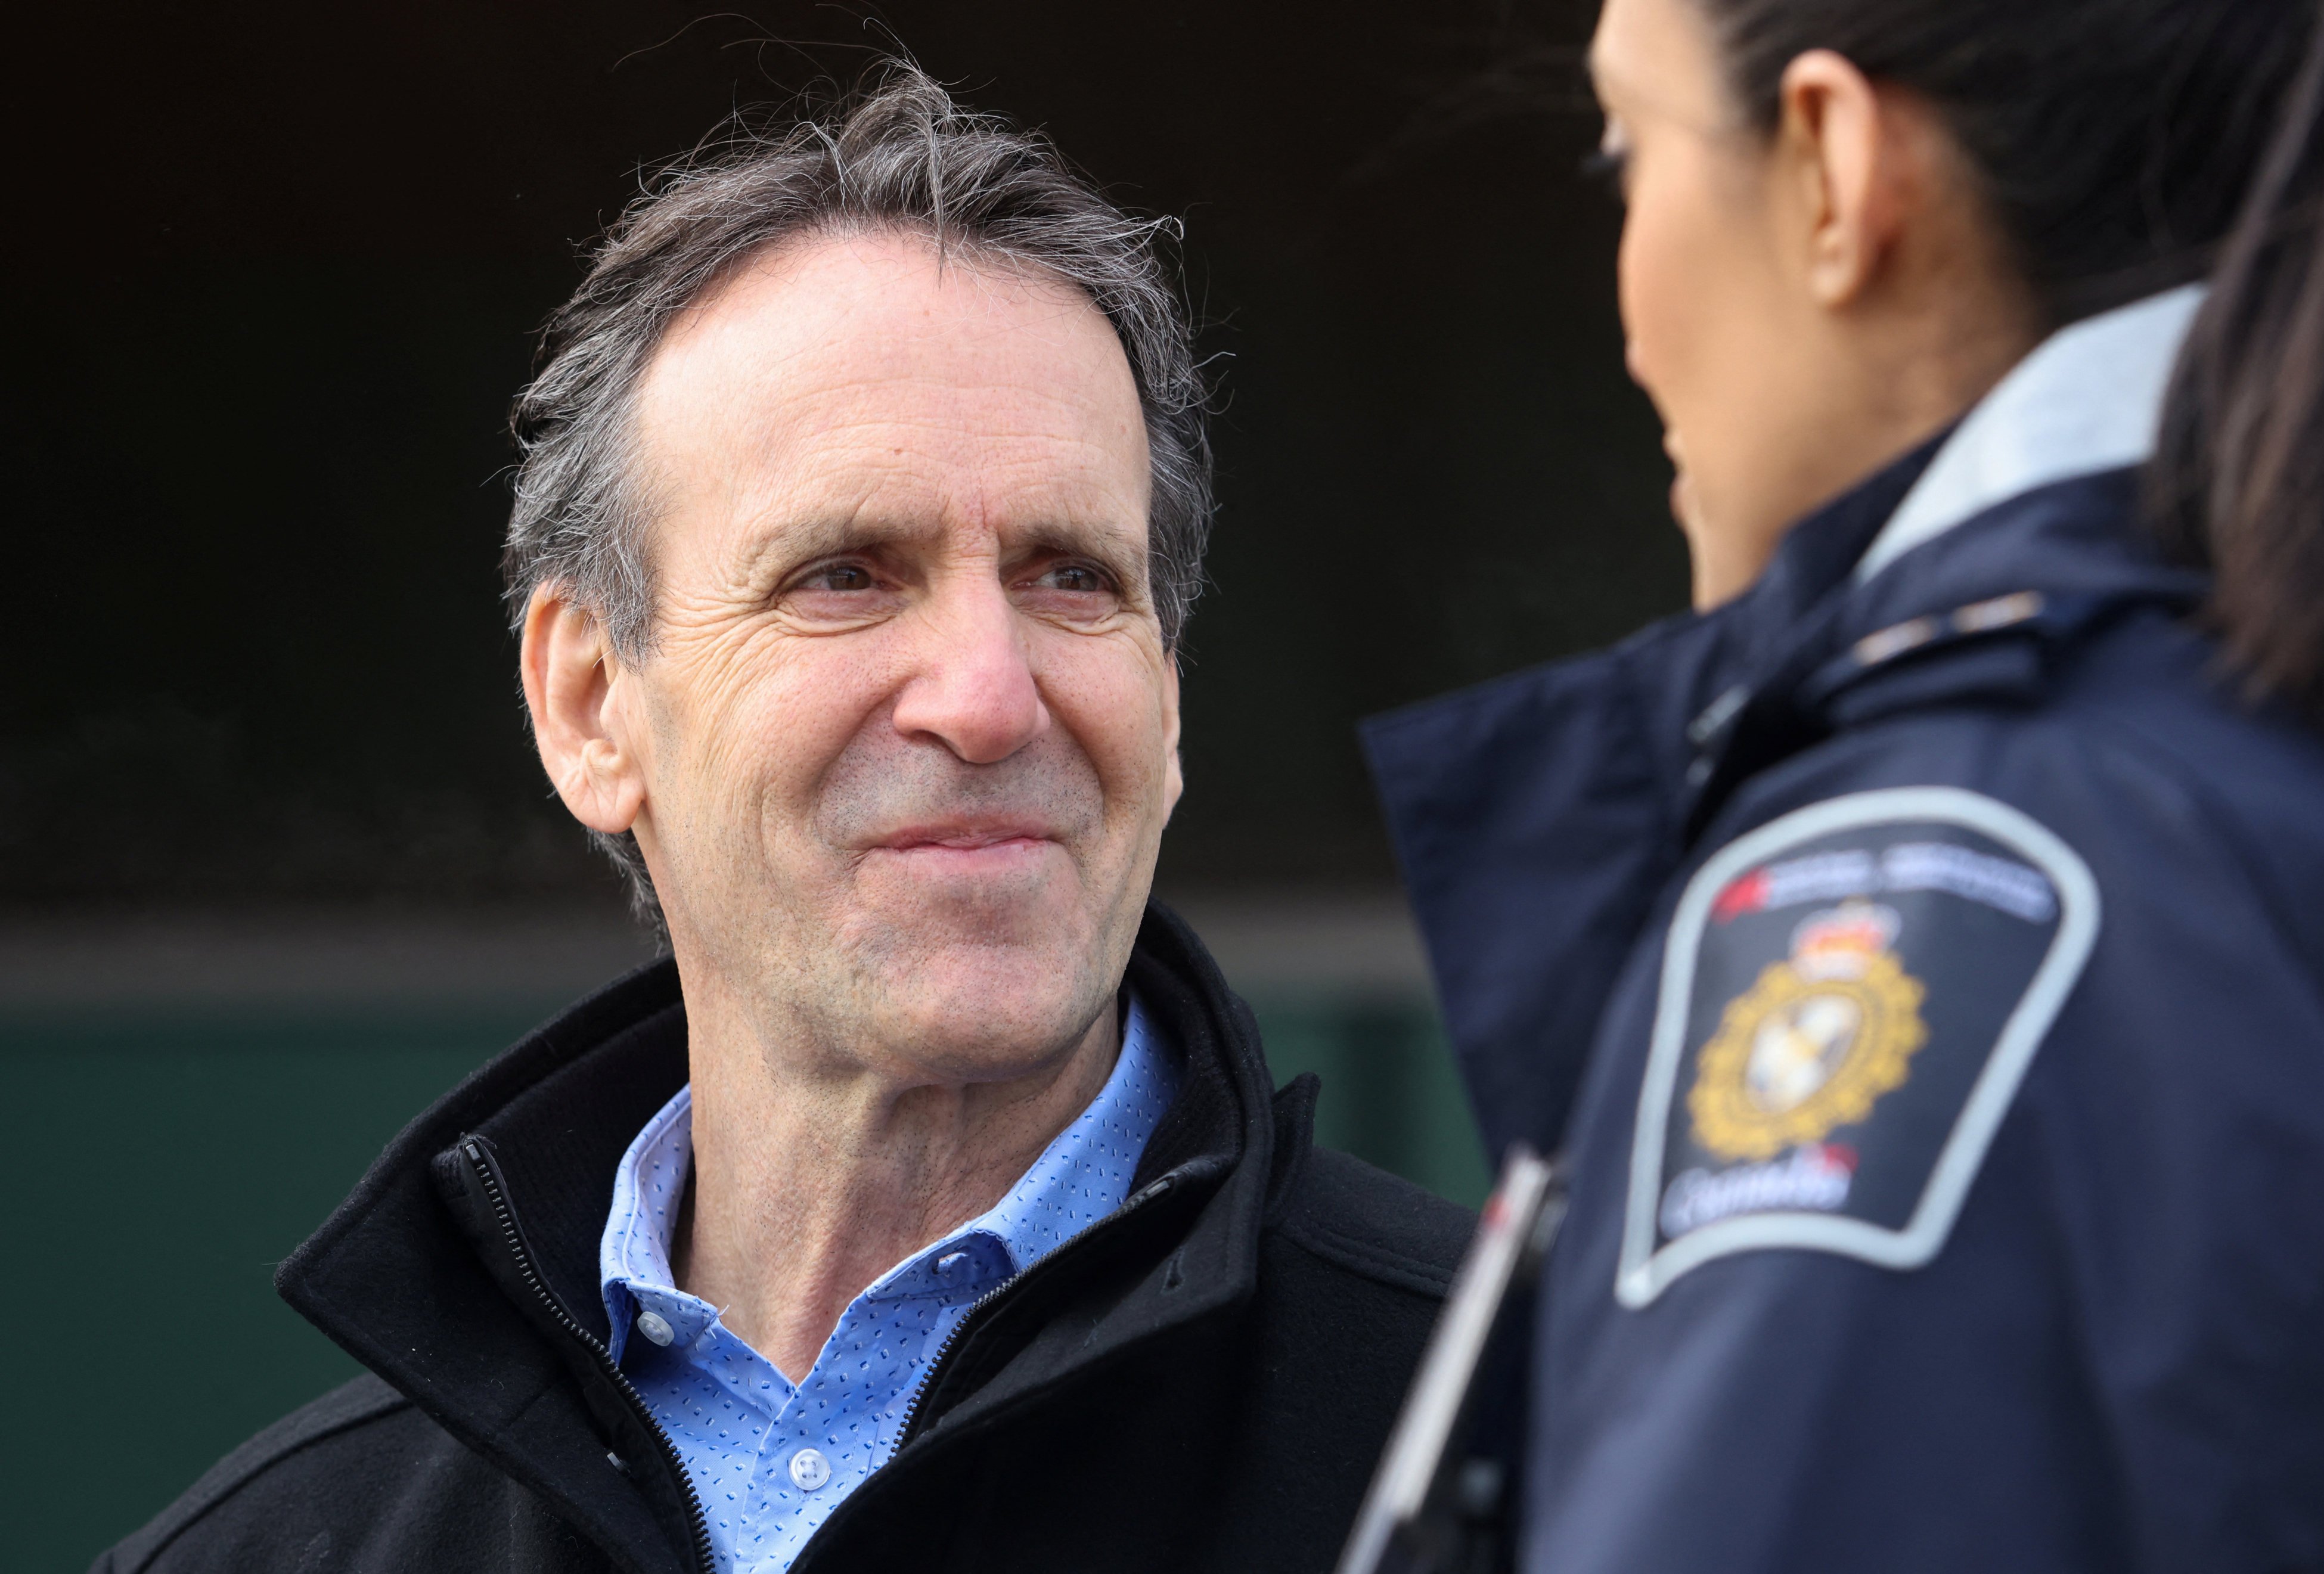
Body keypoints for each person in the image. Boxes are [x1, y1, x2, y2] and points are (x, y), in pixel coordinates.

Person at [98, 69, 1472, 1574]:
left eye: (1073, 575)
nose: (987, 697)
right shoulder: (274, 1555)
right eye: (845, 575)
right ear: (587, 704)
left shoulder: (1555, 1439)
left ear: (1170, 685)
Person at [1363, 0, 2324, 1567]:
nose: (1626, 316)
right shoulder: (2317, 727)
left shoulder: (1958, 873)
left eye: (1625, 147)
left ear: (1833, 167)